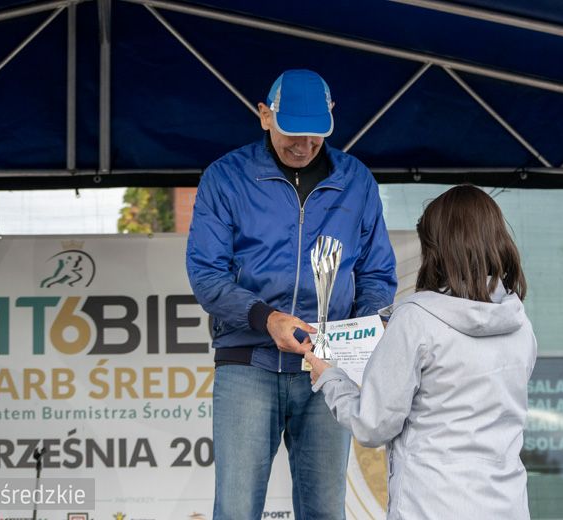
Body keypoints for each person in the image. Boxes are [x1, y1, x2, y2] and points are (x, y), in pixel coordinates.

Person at [186, 69, 397, 520]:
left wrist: (358, 336)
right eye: (291, 135)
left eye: (315, 137)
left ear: (331, 118)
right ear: (265, 116)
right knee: (236, 509)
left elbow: (377, 273)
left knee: (325, 510)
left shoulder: (357, 181)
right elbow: (206, 275)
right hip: (248, 363)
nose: (303, 146)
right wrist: (266, 319)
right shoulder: (225, 178)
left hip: (327, 371)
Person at [305, 184, 537, 519]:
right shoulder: (520, 324)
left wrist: (330, 378)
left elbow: (373, 425)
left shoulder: (415, 319)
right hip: (507, 506)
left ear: (436, 249)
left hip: (429, 506)